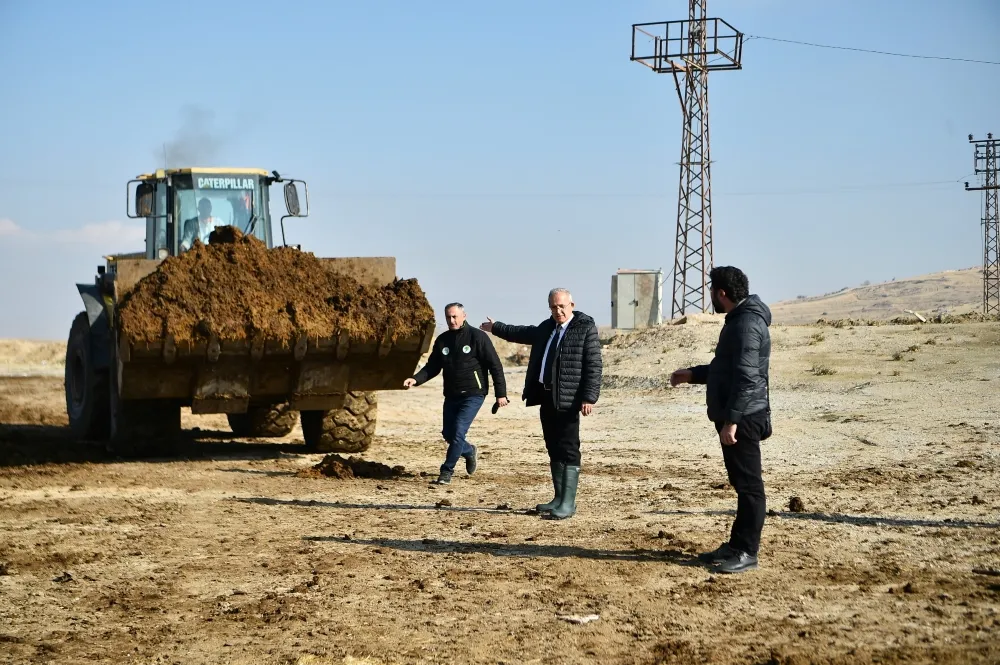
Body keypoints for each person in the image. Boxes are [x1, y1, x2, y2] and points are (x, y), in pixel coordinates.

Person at [670, 266, 772, 574]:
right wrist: (694, 375)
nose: (710, 295)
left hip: (744, 416)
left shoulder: (745, 325)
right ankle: (736, 545)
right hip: (739, 413)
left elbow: (746, 378)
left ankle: (746, 551)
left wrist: (732, 421)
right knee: (742, 483)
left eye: (712, 290)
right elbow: (727, 369)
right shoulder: (740, 321)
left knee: (750, 486)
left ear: (722, 293)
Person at [480, 288, 601, 520]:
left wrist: (589, 397)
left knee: (568, 448)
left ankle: (568, 503)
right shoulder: (547, 328)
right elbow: (523, 333)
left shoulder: (584, 328)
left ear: (572, 305)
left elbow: (594, 365)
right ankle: (558, 498)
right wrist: (496, 327)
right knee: (553, 446)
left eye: (562, 306)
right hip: (546, 397)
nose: (558, 311)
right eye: (553, 307)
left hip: (569, 398)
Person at [404, 302, 508, 485]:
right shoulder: (442, 340)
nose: (451, 320)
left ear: (464, 316)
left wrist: (501, 394)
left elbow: (495, 366)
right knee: (449, 434)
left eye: (455, 316)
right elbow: (432, 367)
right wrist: (416, 379)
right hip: (451, 394)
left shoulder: (478, 337)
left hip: (474, 393)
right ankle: (468, 451)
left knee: (459, 431)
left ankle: (446, 471)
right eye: (448, 317)